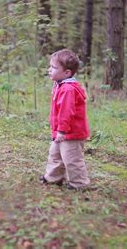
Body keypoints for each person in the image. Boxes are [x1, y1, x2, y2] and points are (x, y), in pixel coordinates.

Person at [40, 49, 91, 190]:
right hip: (61, 132)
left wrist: (62, 130)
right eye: (50, 66)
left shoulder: (68, 89)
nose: (49, 70)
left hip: (71, 133)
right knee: (55, 154)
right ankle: (53, 178)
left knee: (72, 159)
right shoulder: (60, 84)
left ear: (67, 73)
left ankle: (79, 183)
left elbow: (66, 113)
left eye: (54, 67)